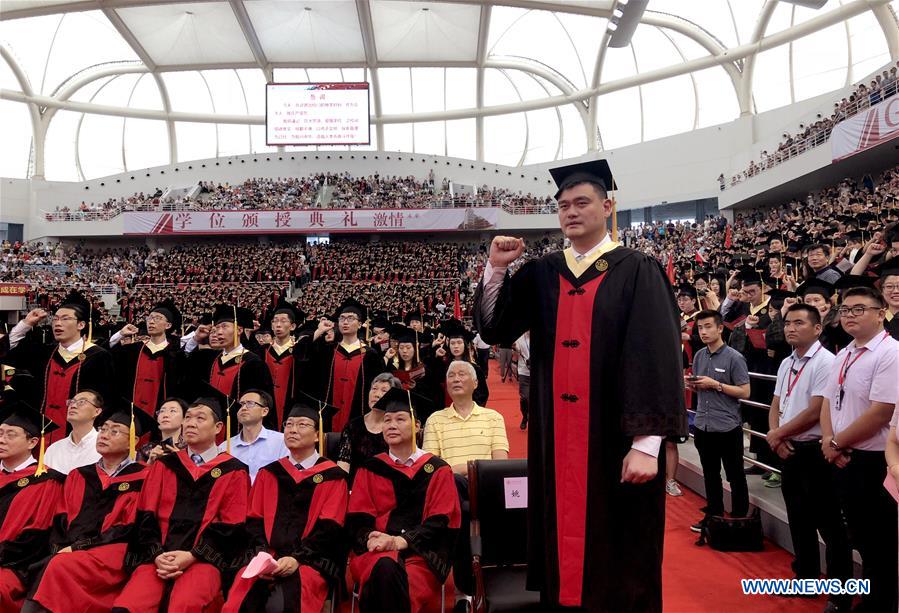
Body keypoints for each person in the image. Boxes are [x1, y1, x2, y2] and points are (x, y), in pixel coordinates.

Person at [474, 159, 687, 611]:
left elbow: (656, 357)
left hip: (614, 439)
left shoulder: (638, 270)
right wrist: (496, 270)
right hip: (557, 437)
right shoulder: (542, 273)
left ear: (607, 206)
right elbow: (494, 329)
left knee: (622, 553)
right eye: (564, 205)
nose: (571, 211)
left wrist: (647, 445)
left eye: (582, 202)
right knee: (560, 544)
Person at [112, 395, 250, 612]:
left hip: (203, 561)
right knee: (127, 607)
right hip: (159, 559)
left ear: (218, 427)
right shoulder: (165, 465)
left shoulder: (233, 470)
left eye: (200, 418)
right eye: (187, 417)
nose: (191, 423)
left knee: (184, 605)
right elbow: (145, 515)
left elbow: (231, 525)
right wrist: (157, 555)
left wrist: (193, 555)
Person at [765, 303, 852, 611]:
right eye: (787, 322)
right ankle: (806, 575)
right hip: (788, 447)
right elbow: (776, 401)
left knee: (829, 524)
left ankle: (841, 594)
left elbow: (817, 409)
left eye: (799, 323)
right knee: (798, 517)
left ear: (817, 328)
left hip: (816, 450)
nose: (790, 327)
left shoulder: (827, 362)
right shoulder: (787, 362)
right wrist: (775, 434)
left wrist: (777, 434)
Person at [25, 406, 154, 613]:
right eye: (103, 429)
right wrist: (62, 547)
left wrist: (80, 547)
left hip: (115, 549)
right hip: (72, 550)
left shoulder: (144, 477)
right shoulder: (79, 475)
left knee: (59, 566)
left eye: (115, 431)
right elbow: (61, 517)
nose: (104, 435)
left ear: (134, 441)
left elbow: (128, 527)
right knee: (48, 563)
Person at [223, 400, 348, 613]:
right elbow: (254, 520)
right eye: (289, 425)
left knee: (281, 606)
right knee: (239, 603)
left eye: (302, 425)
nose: (293, 430)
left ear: (317, 435)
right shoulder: (269, 472)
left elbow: (330, 528)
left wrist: (297, 558)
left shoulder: (333, 477)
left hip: (310, 561)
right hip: (266, 556)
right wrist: (263, 555)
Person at [346, 387, 460, 613]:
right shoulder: (370, 469)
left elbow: (441, 522)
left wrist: (401, 541)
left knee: (388, 575)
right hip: (375, 552)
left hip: (420, 556)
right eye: (386, 420)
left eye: (400, 419)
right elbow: (357, 519)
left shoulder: (437, 470)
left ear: (417, 425)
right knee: (384, 567)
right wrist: (370, 537)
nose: (391, 425)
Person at [820, 286, 898, 612]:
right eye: (846, 310)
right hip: (841, 456)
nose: (850, 315)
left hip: (874, 460)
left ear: (881, 313)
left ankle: (880, 604)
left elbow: (882, 411)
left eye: (859, 309)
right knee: (859, 537)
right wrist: (828, 441)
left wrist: (837, 443)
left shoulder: (891, 353)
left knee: (880, 542)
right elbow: (827, 401)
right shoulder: (845, 352)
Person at [422, 359, 509, 602]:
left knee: (457, 490)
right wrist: (470, 468)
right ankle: (467, 587)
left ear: (475, 383)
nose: (456, 379)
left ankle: (467, 589)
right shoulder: (435, 420)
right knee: (453, 491)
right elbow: (432, 469)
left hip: (485, 490)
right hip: (449, 493)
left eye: (462, 374)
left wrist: (461, 469)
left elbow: (499, 465)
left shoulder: (493, 417)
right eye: (451, 375)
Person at [1, 292, 114, 444]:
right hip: (40, 434)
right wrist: (26, 323)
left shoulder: (99, 357)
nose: (58, 323)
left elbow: (106, 399)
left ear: (81, 325)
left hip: (78, 438)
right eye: (55, 319)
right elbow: (7, 352)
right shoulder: (44, 353)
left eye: (65, 319)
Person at [688, 309, 752, 532]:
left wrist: (715, 384)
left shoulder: (734, 357)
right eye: (700, 328)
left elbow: (745, 392)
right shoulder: (699, 356)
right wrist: (693, 385)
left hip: (727, 426)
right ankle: (714, 515)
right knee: (710, 473)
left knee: (735, 475)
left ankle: (739, 519)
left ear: (720, 328)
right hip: (703, 424)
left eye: (708, 327)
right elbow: (700, 388)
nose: (703, 332)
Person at [0, 401, 64, 610]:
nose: (1, 439)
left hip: (14, 566)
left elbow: (36, 536)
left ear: (33, 442)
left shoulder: (47, 481)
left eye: (11, 434)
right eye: (0, 432)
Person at [304, 299, 384, 433]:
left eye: (350, 318)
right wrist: (319, 331)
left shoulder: (371, 355)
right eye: (342, 318)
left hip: (358, 417)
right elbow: (301, 353)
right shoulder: (327, 351)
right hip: (327, 419)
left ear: (359, 324)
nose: (345, 322)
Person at [187, 304, 274, 425]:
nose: (219, 332)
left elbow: (262, 405)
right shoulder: (209, 360)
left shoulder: (254, 364)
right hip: (210, 426)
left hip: (239, 428)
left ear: (239, 330)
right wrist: (196, 338)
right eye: (217, 328)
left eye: (224, 327)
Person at [109, 299, 185, 428]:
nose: (151, 321)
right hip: (131, 412)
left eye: (158, 318)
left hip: (161, 415)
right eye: (149, 318)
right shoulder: (133, 350)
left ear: (168, 325)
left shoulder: (176, 354)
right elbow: (108, 353)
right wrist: (121, 334)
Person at [336, 373, 402, 484]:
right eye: (374, 389)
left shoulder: (395, 428)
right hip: (355, 489)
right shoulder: (352, 426)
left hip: (386, 488)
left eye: (384, 391)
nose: (376, 394)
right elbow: (343, 466)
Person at [258, 301, 310, 426]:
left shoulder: (300, 352)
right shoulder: (262, 350)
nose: (278, 325)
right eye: (275, 321)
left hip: (291, 407)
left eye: (283, 321)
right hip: (265, 406)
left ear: (292, 327)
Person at [220, 389, 288, 483]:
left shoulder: (281, 441)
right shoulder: (225, 446)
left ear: (264, 411)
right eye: (241, 404)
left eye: (250, 403)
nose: (243, 408)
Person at [42, 388, 103, 475]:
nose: (73, 406)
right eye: (71, 402)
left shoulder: (104, 445)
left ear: (97, 411)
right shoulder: (54, 449)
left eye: (81, 402)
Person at [137, 397, 188, 463]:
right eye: (162, 411)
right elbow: (137, 473)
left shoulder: (190, 448)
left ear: (184, 419)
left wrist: (182, 460)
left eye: (173, 411)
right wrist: (150, 463)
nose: (165, 415)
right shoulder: (146, 449)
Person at [514, 331, 530, 430]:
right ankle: (525, 416)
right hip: (523, 371)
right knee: (524, 397)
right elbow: (515, 357)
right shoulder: (519, 338)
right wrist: (515, 349)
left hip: (538, 373)